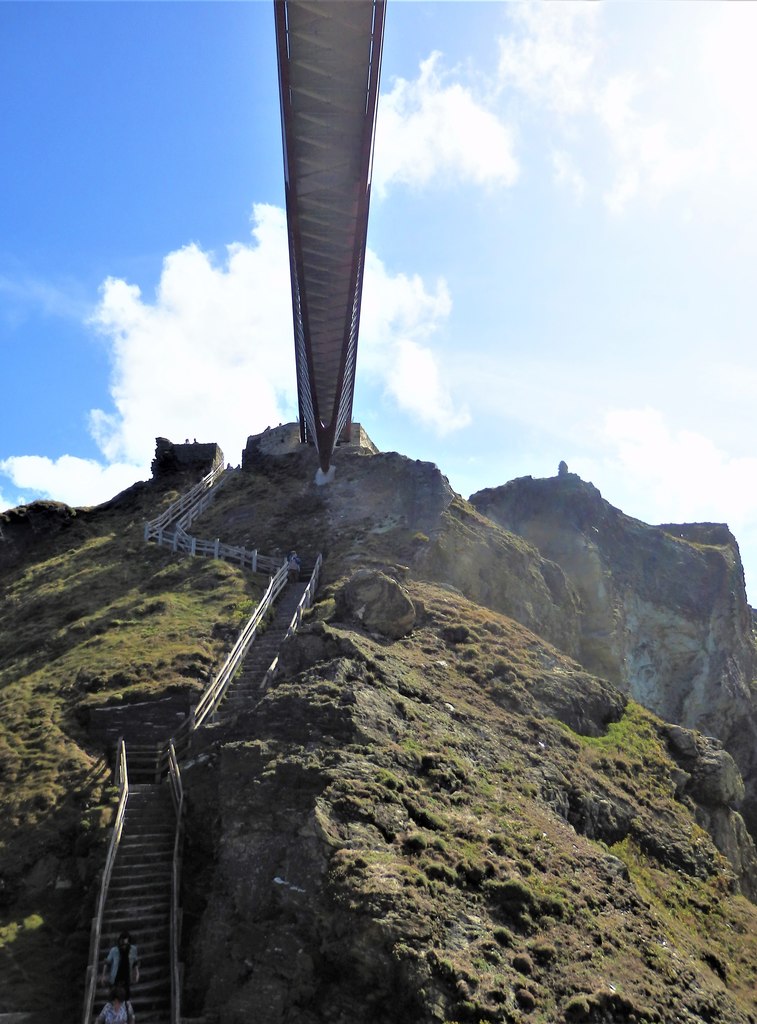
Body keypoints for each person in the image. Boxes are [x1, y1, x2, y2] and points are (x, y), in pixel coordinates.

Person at [102, 931, 139, 1000]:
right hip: (115, 978)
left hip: (127, 977)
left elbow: (135, 963)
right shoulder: (114, 950)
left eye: (125, 944)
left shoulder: (133, 950)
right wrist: (103, 976)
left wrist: (136, 974)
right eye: (122, 943)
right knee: (114, 998)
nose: (124, 946)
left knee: (126, 998)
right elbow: (107, 963)